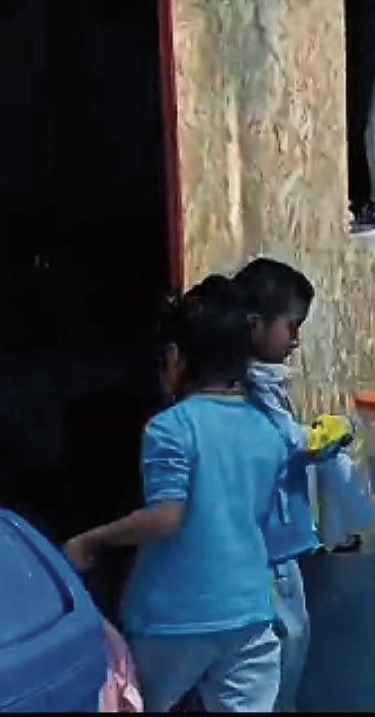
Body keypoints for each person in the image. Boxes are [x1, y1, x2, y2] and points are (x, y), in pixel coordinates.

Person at [63, 277, 287, 713]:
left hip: (173, 617)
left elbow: (167, 516)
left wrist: (91, 540)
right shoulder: (267, 429)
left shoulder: (171, 427)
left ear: (174, 359)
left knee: (138, 703)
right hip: (250, 610)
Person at [233, 257, 329, 713]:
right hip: (263, 549)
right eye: (291, 325)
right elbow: (271, 444)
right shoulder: (239, 390)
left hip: (282, 545)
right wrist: (307, 441)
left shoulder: (269, 385)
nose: (296, 339)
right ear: (255, 325)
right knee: (278, 650)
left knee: (293, 642)